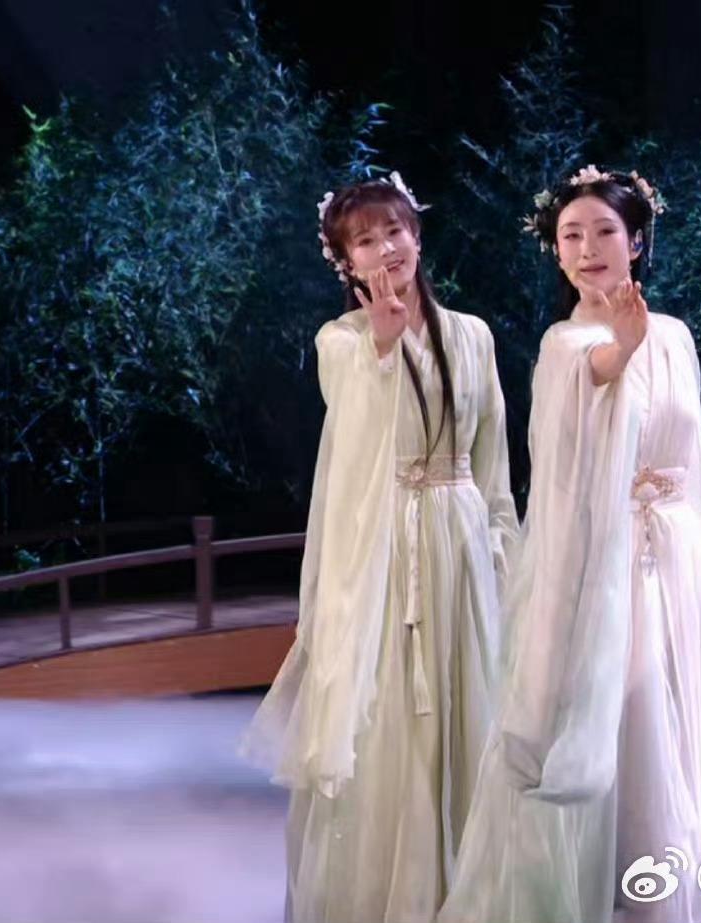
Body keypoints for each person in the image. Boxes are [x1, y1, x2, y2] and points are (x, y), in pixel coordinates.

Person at [443, 166, 701, 923]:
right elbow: (593, 387)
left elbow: (694, 460)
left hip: (679, 551)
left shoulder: (674, 335)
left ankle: (678, 877)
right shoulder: (566, 343)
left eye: (605, 231)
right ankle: (620, 882)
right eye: (571, 235)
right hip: (607, 561)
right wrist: (621, 348)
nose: (588, 248)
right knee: (626, 711)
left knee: (683, 710)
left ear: (637, 242)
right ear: (556, 251)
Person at [241, 173, 519, 923]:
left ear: (417, 235)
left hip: (460, 542)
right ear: (346, 262)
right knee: (394, 714)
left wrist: (502, 550)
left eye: (394, 231)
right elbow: (355, 441)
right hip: (386, 554)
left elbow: (492, 459)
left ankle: (469, 888)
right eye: (364, 241)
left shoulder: (472, 334)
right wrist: (385, 347)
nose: (385, 249)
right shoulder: (341, 342)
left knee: (470, 708)